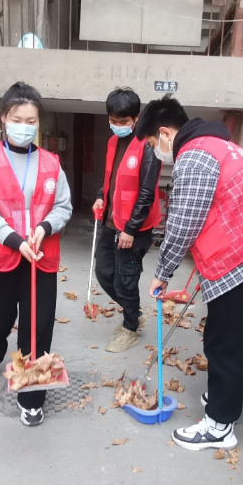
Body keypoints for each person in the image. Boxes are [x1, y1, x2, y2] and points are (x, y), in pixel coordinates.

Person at [135, 96, 243, 451]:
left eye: (151, 143)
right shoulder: (216, 144)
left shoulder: (193, 155)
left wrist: (162, 272)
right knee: (227, 333)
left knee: (225, 340)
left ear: (164, 133)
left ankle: (220, 425)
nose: (155, 152)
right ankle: (224, 397)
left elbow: (184, 222)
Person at [0, 82, 73, 427]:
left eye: (31, 121)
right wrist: (16, 241)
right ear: (3, 117)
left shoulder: (51, 163)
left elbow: (63, 206)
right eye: (18, 119)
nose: (25, 127)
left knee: (37, 328)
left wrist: (44, 227)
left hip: (40, 259)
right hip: (1, 256)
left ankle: (31, 396)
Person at [92, 88, 162, 353]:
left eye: (124, 121)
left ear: (136, 118)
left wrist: (131, 229)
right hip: (111, 223)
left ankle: (130, 328)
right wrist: (101, 196)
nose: (118, 125)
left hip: (135, 229)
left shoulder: (148, 145)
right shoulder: (113, 142)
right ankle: (134, 312)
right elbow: (110, 177)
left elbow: (146, 192)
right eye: (114, 120)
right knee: (104, 273)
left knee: (126, 280)